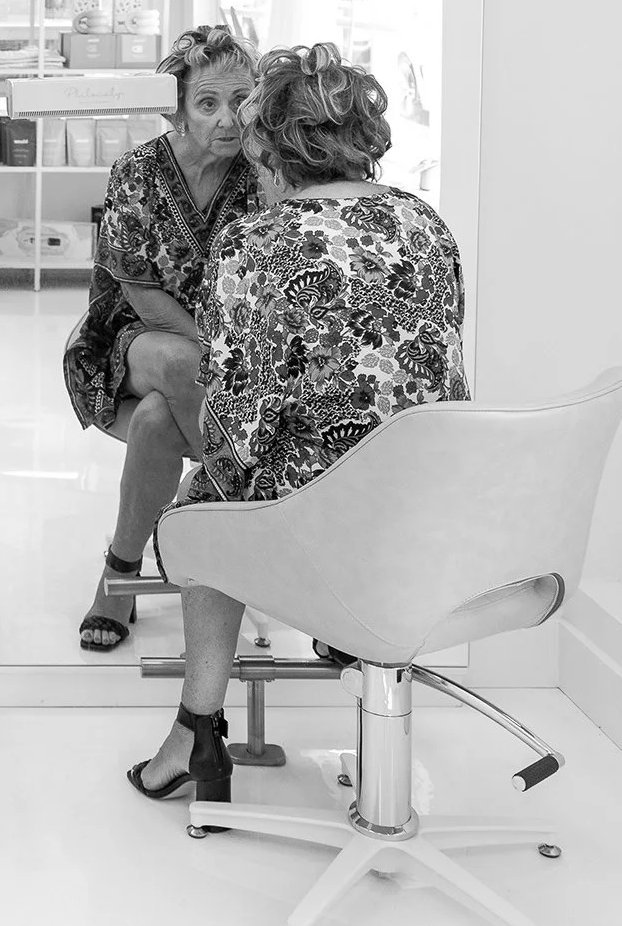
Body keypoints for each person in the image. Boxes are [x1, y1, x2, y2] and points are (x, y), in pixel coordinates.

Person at [128, 42, 470, 806]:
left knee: (203, 500)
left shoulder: (254, 243)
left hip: (322, 529)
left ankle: (196, 730)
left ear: (272, 144)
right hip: (436, 516)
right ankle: (348, 630)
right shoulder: (425, 224)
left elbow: (235, 437)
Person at [65, 25, 264, 651]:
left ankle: (119, 572)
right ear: (174, 107)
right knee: (181, 366)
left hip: (230, 354)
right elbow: (137, 290)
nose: (228, 119)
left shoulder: (264, 176)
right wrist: (213, 347)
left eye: (241, 100)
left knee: (157, 422)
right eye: (208, 103)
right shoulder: (138, 172)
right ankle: (224, 516)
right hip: (132, 336)